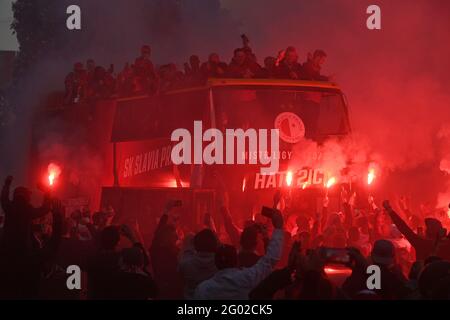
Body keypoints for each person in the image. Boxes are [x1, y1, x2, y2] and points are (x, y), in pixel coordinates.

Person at [193, 209, 284, 300]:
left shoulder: (203, 289)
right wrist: (278, 228)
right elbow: (270, 261)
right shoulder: (245, 278)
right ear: (236, 261)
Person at [383, 200, 450, 261]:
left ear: (429, 232)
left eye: (427, 228)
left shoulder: (421, 243)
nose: (424, 230)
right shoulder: (446, 244)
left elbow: (403, 228)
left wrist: (390, 211)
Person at [1, 176, 51, 253]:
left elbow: (4, 198)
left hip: (7, 248)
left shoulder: (9, 207)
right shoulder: (27, 209)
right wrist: (47, 192)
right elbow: (45, 209)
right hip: (22, 249)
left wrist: (7, 184)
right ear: (26, 196)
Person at [178, 229, 218, 299]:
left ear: (195, 245)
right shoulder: (220, 265)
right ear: (215, 244)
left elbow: (185, 256)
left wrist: (189, 242)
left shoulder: (186, 264)